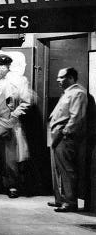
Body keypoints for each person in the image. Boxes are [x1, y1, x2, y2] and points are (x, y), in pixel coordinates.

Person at [0, 54, 30, 198]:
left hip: (9, 124)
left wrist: (14, 115)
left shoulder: (19, 80)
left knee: (10, 158)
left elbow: (26, 102)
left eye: (4, 65)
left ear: (9, 65)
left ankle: (12, 187)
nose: (1, 67)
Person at [48, 67, 87, 213]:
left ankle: (70, 201)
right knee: (58, 169)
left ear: (71, 78)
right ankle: (60, 199)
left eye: (61, 77)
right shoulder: (68, 93)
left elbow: (76, 117)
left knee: (66, 169)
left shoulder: (78, 93)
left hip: (65, 137)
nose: (58, 80)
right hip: (57, 135)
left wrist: (65, 132)